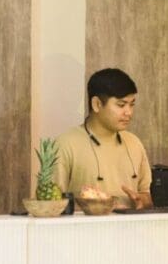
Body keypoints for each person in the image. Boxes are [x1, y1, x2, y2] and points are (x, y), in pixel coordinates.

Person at [52, 68, 153, 209]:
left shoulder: (134, 143)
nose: (129, 112)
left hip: (130, 223)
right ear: (97, 104)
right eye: (121, 105)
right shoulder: (66, 144)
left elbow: (147, 195)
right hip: (84, 224)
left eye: (132, 105)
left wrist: (142, 200)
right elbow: (51, 204)